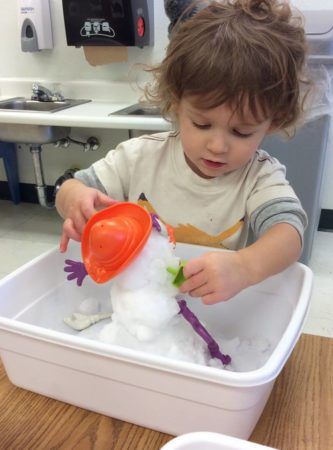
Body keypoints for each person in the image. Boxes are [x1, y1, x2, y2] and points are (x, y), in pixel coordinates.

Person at [56, 0, 309, 305]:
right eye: (202, 124)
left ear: (273, 121)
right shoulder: (140, 156)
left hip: (208, 303)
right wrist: (75, 201)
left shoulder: (258, 176)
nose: (217, 146)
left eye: (241, 132)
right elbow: (72, 187)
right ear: (176, 103)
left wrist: (245, 267)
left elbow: (288, 234)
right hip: (139, 300)